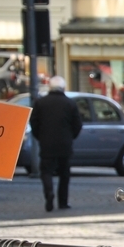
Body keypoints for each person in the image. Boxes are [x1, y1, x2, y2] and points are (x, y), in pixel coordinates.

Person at [29, 76, 82, 212]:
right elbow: (77, 124)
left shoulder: (41, 103)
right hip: (65, 144)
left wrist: (40, 137)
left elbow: (34, 123)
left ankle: (49, 193)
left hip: (47, 144)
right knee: (64, 174)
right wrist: (70, 137)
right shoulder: (70, 103)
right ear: (63, 88)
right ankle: (63, 202)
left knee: (46, 171)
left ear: (50, 88)